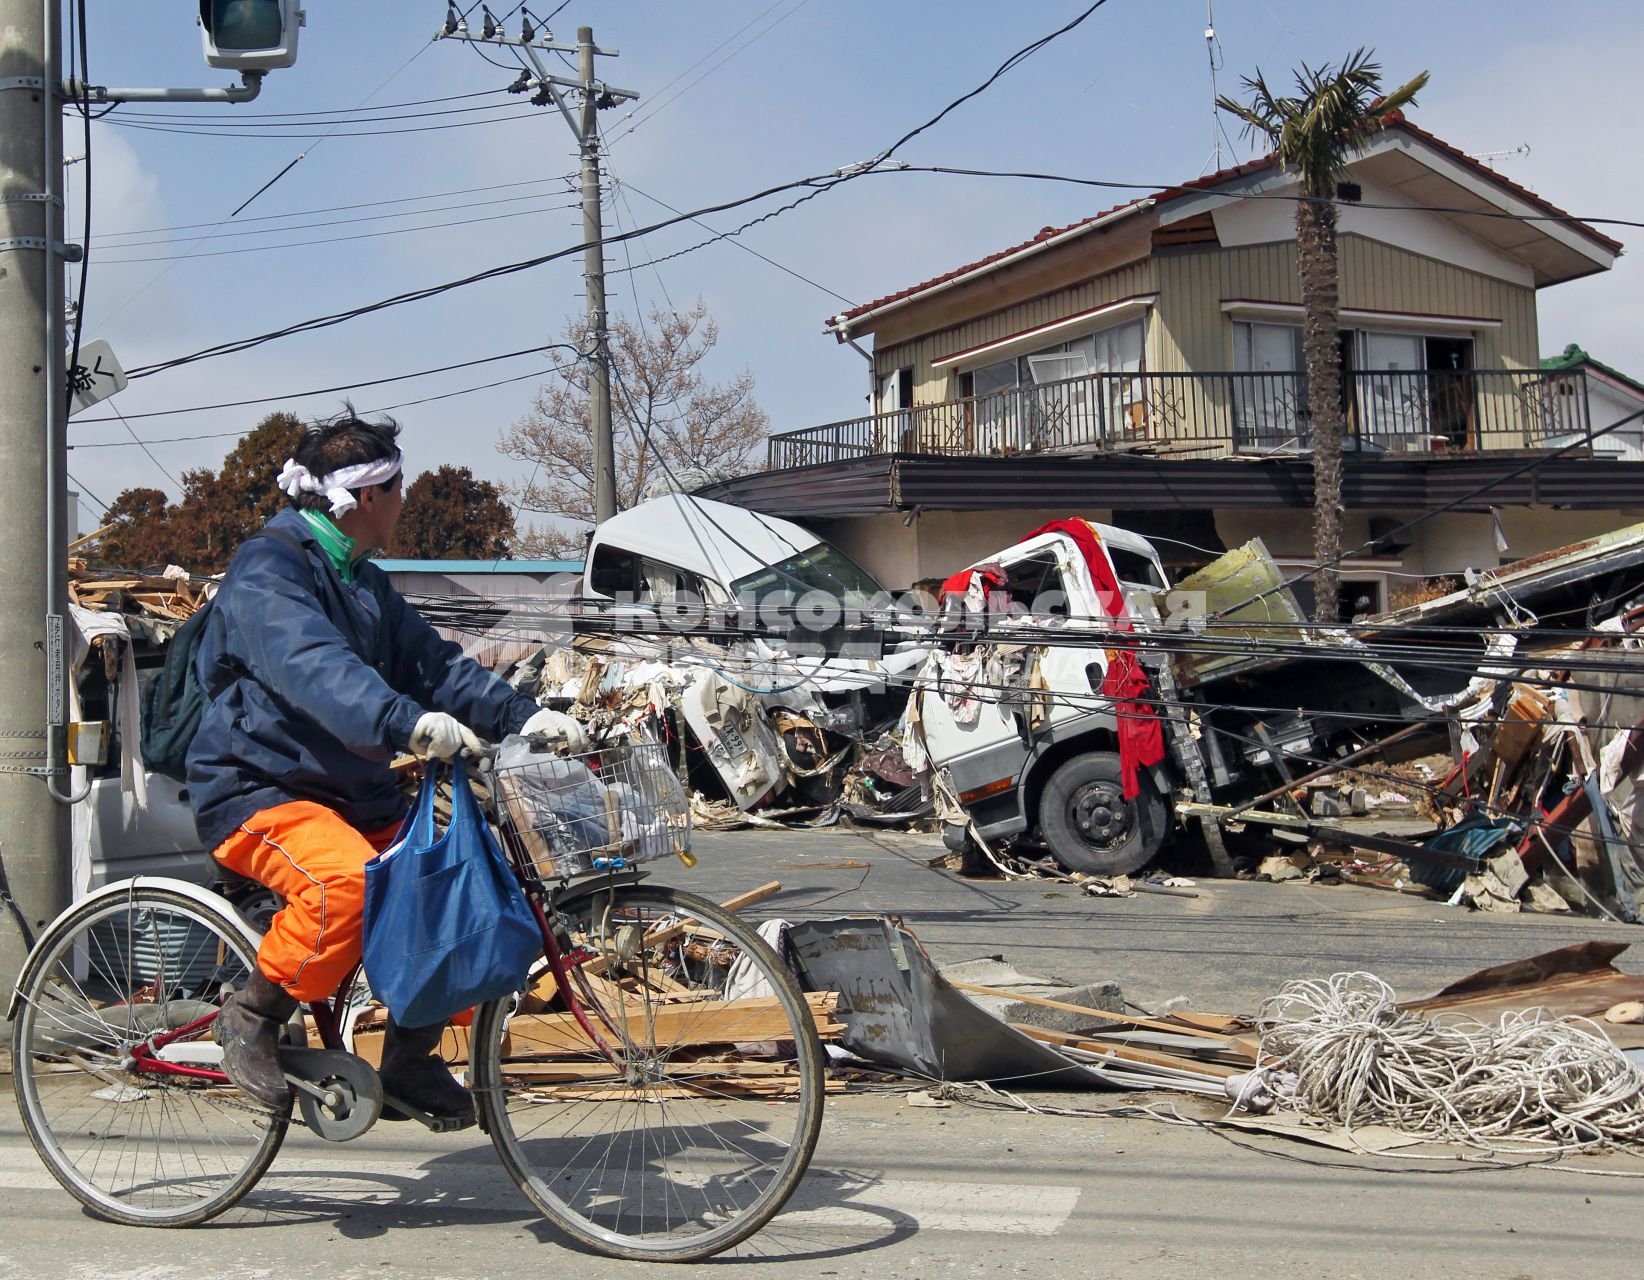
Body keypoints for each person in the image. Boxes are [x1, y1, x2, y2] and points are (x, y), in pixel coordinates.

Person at [188, 406, 583, 1122]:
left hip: (350, 793)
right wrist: (406, 722)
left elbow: (434, 665)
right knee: (343, 886)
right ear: (369, 496)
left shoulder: (364, 581)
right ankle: (250, 1017)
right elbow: (312, 666)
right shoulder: (268, 565)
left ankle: (407, 1059)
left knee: (454, 888)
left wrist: (525, 717)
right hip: (260, 788)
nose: (406, 503)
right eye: (400, 489)